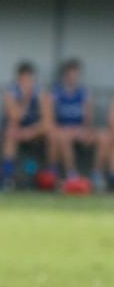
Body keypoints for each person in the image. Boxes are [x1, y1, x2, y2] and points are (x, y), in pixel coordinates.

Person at [46, 58, 110, 189]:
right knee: (63, 136)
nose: (73, 78)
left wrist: (86, 130)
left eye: (76, 74)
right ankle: (72, 175)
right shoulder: (56, 91)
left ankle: (96, 174)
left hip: (80, 130)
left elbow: (88, 116)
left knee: (105, 136)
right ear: (65, 75)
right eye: (70, 74)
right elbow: (50, 116)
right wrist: (66, 129)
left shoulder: (83, 92)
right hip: (63, 129)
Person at [0, 61, 51, 188]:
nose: (26, 83)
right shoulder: (10, 93)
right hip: (16, 132)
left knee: (51, 135)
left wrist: (30, 132)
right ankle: (8, 177)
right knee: (10, 134)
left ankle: (45, 175)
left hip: (35, 133)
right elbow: (14, 116)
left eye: (29, 79)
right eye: (23, 79)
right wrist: (26, 100)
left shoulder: (41, 93)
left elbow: (48, 121)